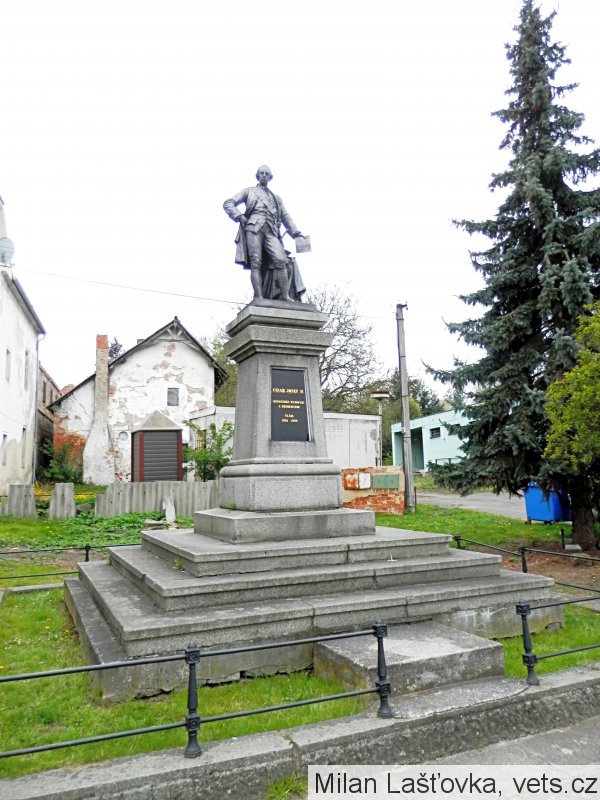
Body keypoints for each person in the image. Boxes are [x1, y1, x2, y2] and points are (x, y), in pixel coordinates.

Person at [224, 166, 307, 301]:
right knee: (256, 262)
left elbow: (285, 216)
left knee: (281, 260)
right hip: (253, 228)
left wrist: (296, 233)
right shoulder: (249, 191)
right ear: (257, 176)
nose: (264, 175)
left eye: (266, 173)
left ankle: (285, 296)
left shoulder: (277, 198)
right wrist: (240, 216)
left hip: (271, 231)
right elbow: (228, 203)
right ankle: (259, 296)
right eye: (261, 173)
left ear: (270, 177)